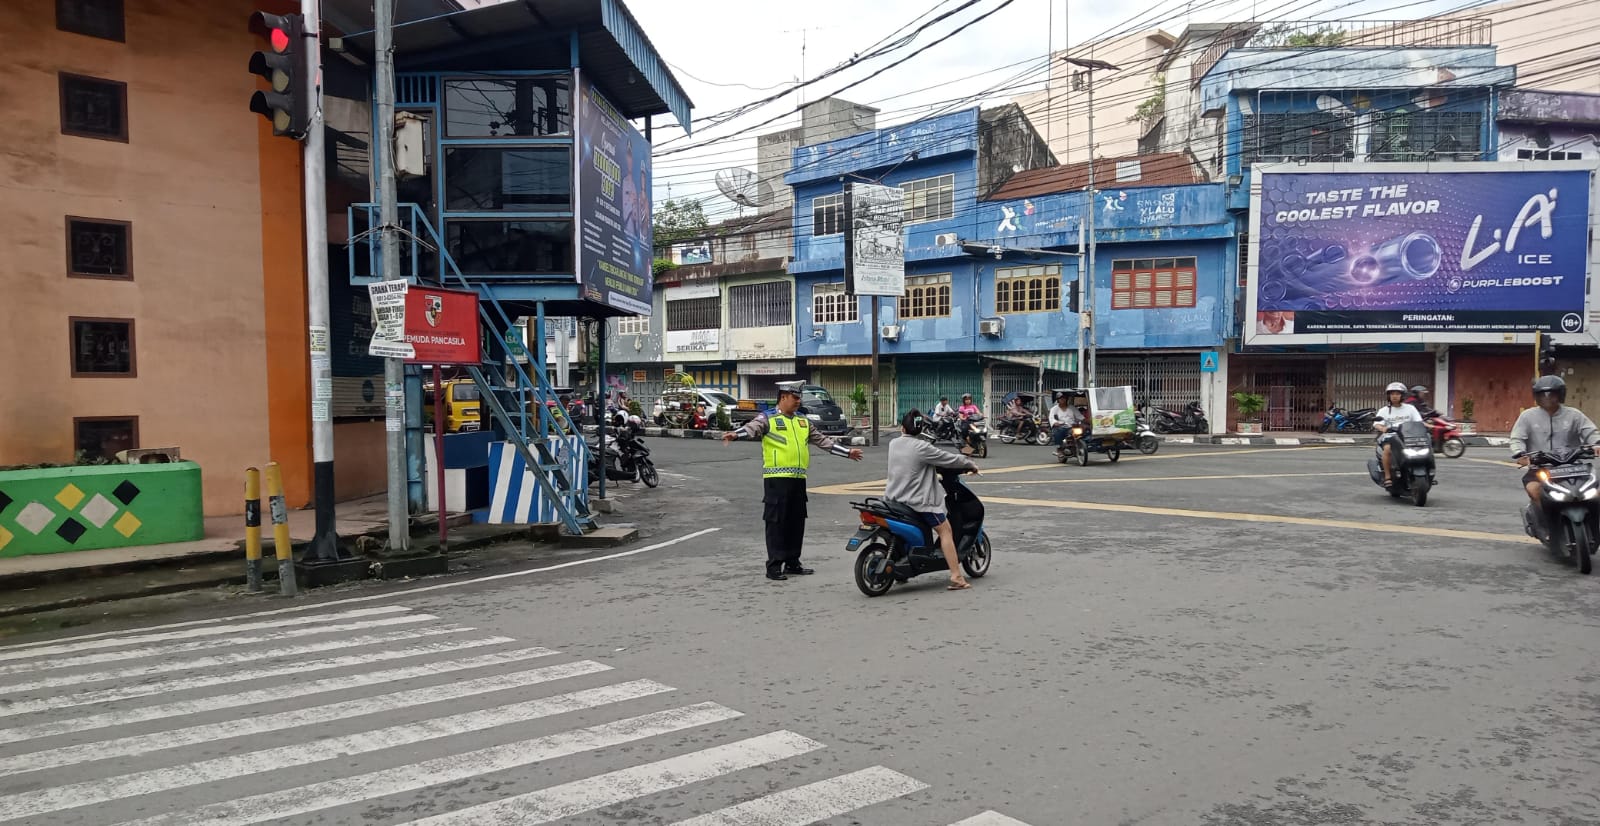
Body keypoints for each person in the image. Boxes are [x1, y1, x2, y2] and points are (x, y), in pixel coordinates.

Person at [724, 383, 864, 580]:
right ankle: (774, 566)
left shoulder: (803, 421)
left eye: (799, 398)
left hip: (798, 480)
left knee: (796, 523)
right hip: (776, 479)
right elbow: (751, 428)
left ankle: (792, 562)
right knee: (776, 523)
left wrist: (847, 453)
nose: (798, 401)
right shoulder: (768, 418)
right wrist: (735, 435)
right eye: (795, 398)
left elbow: (823, 441)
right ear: (783, 398)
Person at [885, 410, 980, 590]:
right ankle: (957, 576)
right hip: (919, 502)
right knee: (945, 531)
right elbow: (948, 458)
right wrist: (969, 463)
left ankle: (902, 571)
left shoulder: (893, 444)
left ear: (902, 428)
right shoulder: (922, 447)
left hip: (894, 499)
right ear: (920, 429)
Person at [1512, 375, 1600, 522]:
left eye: (1552, 394)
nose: (1547, 398)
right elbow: (1517, 438)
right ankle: (1545, 522)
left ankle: (1594, 522)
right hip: (1540, 467)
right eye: (1543, 395)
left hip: (1574, 467)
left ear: (1560, 394)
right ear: (1537, 396)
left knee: (1595, 492)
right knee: (1534, 490)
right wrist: (1520, 454)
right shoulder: (1527, 416)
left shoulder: (1574, 415)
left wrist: (1597, 444)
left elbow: (1591, 432)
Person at [1373, 381, 1424, 486]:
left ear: (1402, 395)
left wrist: (1427, 427)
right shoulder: (1384, 410)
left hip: (1408, 436)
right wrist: (1383, 428)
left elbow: (1419, 422)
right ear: (1388, 396)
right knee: (1387, 449)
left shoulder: (1410, 409)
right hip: (1390, 437)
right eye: (1392, 394)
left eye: (1397, 393)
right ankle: (1387, 477)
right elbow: (1377, 424)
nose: (1394, 396)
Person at [1048, 392, 1086, 457]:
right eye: (1061, 398)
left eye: (1064, 398)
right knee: (1058, 431)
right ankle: (1059, 449)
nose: (1062, 400)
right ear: (1058, 400)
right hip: (1061, 426)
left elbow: (1080, 416)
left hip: (1071, 426)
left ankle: (1076, 446)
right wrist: (1055, 423)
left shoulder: (1072, 408)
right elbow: (1051, 418)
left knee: (1082, 431)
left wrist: (1087, 421)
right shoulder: (1054, 409)